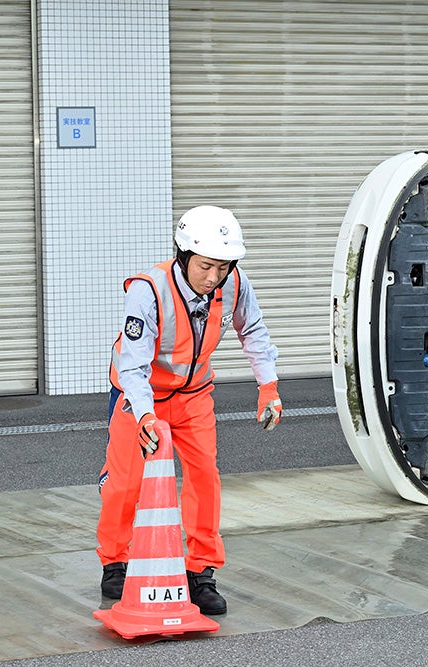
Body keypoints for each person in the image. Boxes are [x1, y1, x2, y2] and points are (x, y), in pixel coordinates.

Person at [96, 205, 282, 616]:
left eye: (223, 267)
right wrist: (145, 415)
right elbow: (133, 364)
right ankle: (115, 561)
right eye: (206, 267)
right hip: (139, 396)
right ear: (182, 255)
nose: (214, 277)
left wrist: (268, 386)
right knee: (126, 485)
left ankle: (201, 572)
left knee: (204, 479)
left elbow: (252, 330)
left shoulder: (232, 283)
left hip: (194, 395)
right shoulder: (148, 289)